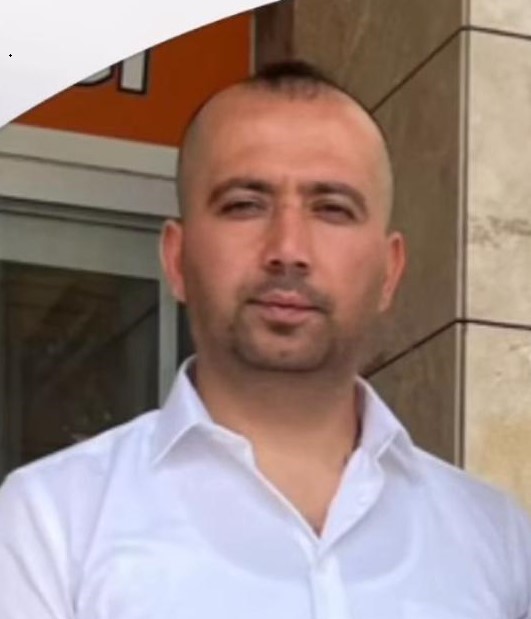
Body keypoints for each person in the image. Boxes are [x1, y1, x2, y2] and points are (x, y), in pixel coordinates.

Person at [0, 60, 529, 619]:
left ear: (389, 272)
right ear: (177, 259)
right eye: (245, 205)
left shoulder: (498, 543)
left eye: (332, 209)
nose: (288, 249)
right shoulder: (49, 527)